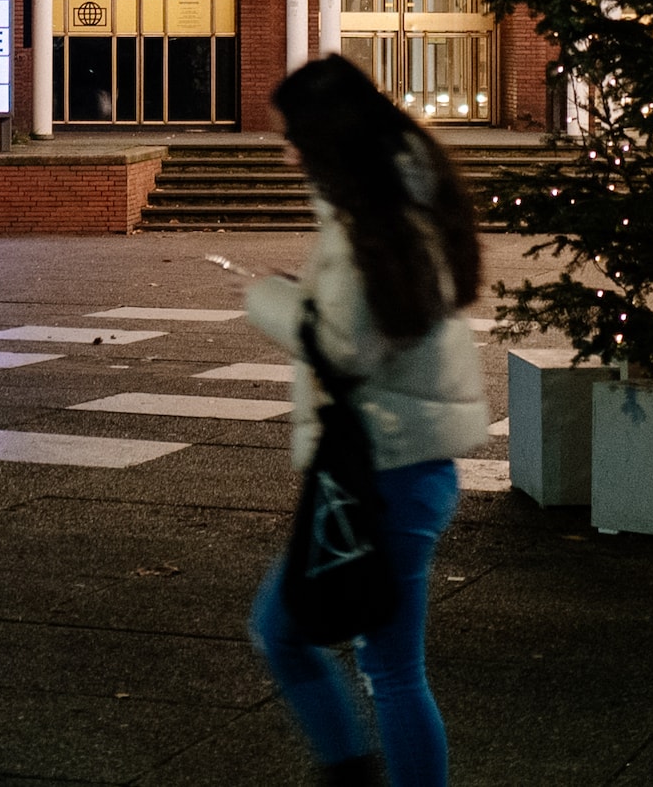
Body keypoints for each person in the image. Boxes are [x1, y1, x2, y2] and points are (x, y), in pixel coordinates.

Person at [242, 54, 489, 787]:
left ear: (326, 139)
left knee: (372, 662)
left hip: (384, 465)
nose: (286, 152)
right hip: (398, 462)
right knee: (306, 638)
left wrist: (268, 299)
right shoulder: (407, 197)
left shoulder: (369, 223)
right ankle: (350, 771)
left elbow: (348, 344)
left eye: (292, 137)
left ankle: (351, 772)